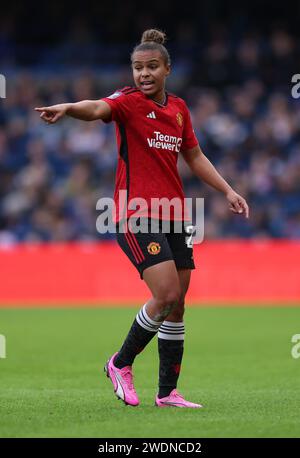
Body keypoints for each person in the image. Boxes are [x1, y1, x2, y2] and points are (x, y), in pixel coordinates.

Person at [35, 28, 249, 408]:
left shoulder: (179, 109)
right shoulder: (128, 102)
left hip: (174, 215)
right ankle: (120, 363)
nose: (143, 74)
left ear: (167, 69)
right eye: (137, 67)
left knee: (178, 303)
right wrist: (69, 108)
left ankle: (167, 393)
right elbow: (98, 107)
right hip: (136, 214)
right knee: (165, 294)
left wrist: (228, 190)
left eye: (152, 67)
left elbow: (195, 157)